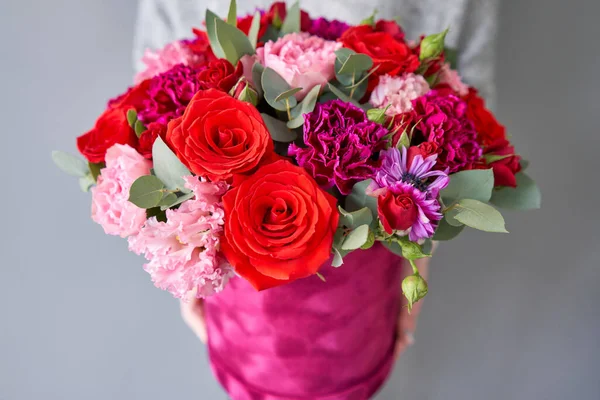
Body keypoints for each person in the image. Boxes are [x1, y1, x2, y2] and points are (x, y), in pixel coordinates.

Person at [133, 0, 499, 397]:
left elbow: (151, 82)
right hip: (269, 283)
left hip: (346, 289)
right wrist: (189, 260)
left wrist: (419, 249)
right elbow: (471, 88)